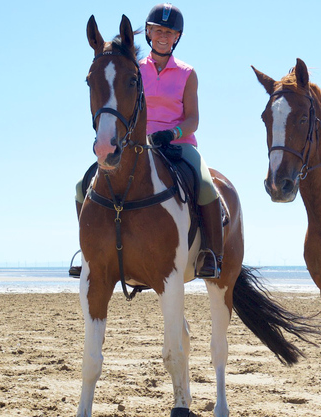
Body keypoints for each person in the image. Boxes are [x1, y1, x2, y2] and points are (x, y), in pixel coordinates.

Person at [74, 3, 223, 280]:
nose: (163, 36)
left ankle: (210, 254)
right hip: (136, 143)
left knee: (205, 185)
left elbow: (193, 119)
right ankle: (88, 252)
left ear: (177, 37)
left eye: (169, 32)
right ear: (149, 34)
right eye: (157, 31)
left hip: (178, 144)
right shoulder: (132, 68)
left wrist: (172, 134)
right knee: (82, 186)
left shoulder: (188, 74)